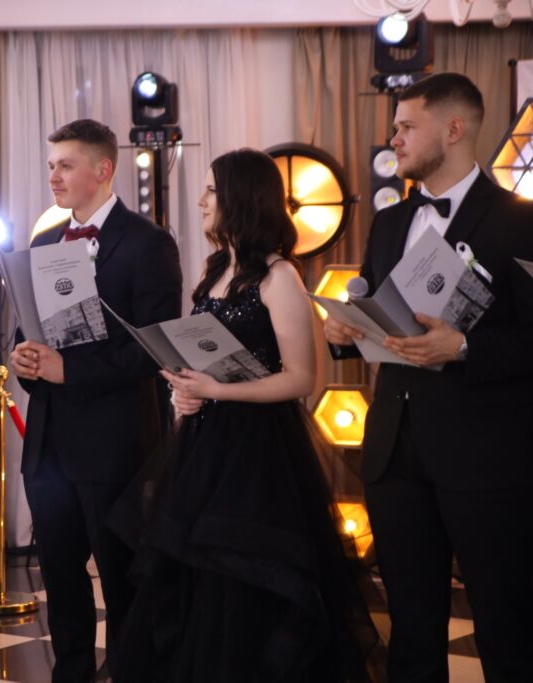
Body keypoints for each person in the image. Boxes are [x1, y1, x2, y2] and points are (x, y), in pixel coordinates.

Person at [110, 149, 381, 682]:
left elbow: (302, 378)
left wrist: (217, 389)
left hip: (258, 451)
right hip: (204, 443)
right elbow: (204, 360)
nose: (201, 201)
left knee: (241, 584)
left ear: (241, 197)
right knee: (195, 581)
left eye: (211, 191)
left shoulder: (280, 276)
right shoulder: (215, 268)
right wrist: (187, 395)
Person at [323, 72, 533, 682]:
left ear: (454, 129)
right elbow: (376, 316)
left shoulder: (519, 220)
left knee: (507, 627)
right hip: (394, 451)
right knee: (411, 631)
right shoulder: (391, 222)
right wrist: (344, 333)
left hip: (487, 456)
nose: (394, 139)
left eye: (406, 127)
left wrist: (463, 345)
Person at [9, 118, 183, 682]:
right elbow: (28, 330)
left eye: (65, 165)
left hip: (117, 445)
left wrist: (71, 371)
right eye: (51, 165)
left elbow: (154, 349)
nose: (53, 176)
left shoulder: (148, 244)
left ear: (103, 169)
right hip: (49, 445)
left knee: (124, 582)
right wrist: (25, 361)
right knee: (61, 585)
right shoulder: (43, 243)